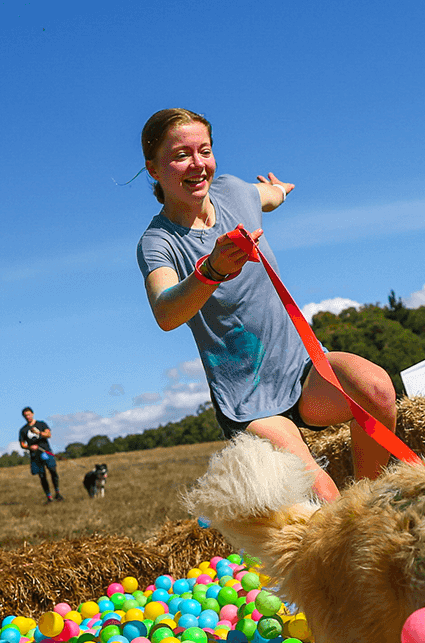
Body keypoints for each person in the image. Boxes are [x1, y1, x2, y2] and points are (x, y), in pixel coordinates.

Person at [136, 108, 396, 503]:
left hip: (304, 371)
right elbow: (166, 311)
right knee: (323, 496)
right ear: (154, 169)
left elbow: (266, 197)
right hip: (248, 402)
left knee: (377, 390)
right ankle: (344, 529)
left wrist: (281, 190)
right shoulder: (159, 242)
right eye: (180, 155)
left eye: (204, 151)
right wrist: (212, 270)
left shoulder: (234, 192)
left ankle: (370, 510)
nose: (197, 164)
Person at [18, 407, 62, 502]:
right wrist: (30, 447)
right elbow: (22, 444)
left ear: (33, 414)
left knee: (53, 470)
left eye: (29, 414)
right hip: (35, 455)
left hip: (46, 451)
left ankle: (57, 493)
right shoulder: (23, 430)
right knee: (42, 476)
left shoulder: (41, 424)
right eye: (26, 416)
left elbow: (48, 434)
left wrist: (39, 433)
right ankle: (49, 497)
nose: (28, 417)